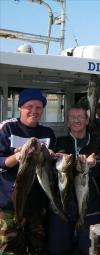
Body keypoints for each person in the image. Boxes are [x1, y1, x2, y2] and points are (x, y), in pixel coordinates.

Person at [0, 88, 56, 255]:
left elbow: (49, 168)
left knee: (37, 248)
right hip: (10, 206)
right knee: (9, 250)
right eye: (29, 106)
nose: (34, 111)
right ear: (20, 107)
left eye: (39, 107)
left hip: (37, 207)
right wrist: (16, 157)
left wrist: (52, 156)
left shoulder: (48, 133)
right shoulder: (7, 128)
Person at [47, 106, 100, 255]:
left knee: (90, 249)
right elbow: (54, 170)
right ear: (67, 122)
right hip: (62, 206)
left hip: (91, 206)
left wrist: (95, 164)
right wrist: (60, 162)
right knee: (57, 249)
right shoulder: (60, 142)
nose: (77, 120)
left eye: (80, 117)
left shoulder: (99, 142)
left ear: (87, 120)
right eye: (72, 117)